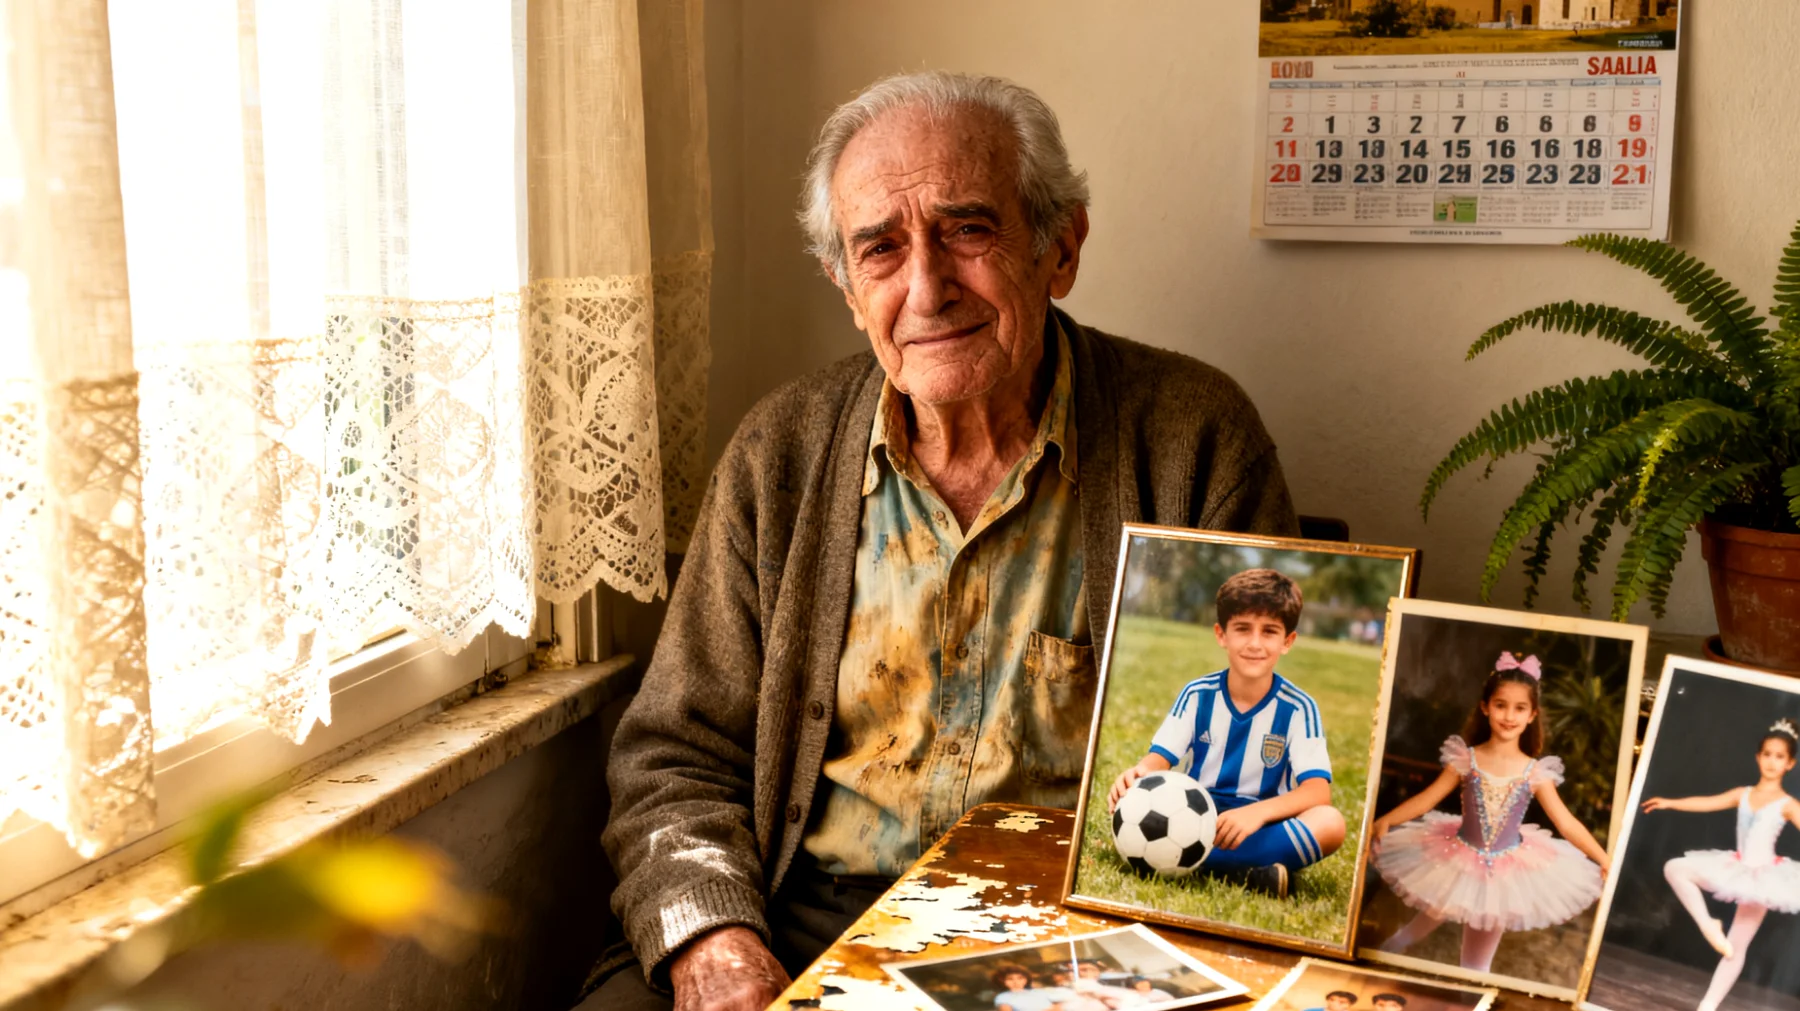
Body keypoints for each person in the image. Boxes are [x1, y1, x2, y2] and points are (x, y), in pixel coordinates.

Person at [587, 70, 1297, 1011]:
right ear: (846, 287)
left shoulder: (1195, 439)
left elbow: (1255, 742)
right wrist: (717, 941)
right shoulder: (780, 454)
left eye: (968, 229)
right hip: (808, 915)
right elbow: (676, 752)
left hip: (1076, 940)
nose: (926, 287)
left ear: (1061, 247)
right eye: (880, 249)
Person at [1105, 569, 1346, 898]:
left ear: (1287, 642)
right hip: (1194, 818)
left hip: (1260, 824)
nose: (1255, 643)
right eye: (1243, 629)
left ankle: (1186, 860)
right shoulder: (1197, 694)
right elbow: (1158, 759)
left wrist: (1256, 813)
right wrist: (1138, 774)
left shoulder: (1299, 708)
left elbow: (1317, 793)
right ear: (1222, 635)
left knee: (1331, 823)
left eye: (1270, 632)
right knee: (1136, 802)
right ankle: (1249, 872)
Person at [1368, 653, 1610, 973]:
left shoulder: (1535, 772)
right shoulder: (1466, 759)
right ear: (1485, 707)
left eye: (1519, 708)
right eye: (1500, 705)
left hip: (1504, 873)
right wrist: (1386, 819)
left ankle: (1469, 999)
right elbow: (1427, 800)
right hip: (1455, 855)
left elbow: (1565, 823)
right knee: (1420, 924)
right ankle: (1384, 956)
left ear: (1532, 715)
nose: (1509, 716)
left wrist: (1604, 859)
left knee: (1475, 964)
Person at [1641, 718, 1800, 1011]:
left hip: (1764, 878)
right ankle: (1708, 924)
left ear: (1790, 763)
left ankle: (1708, 1006)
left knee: (1735, 947)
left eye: (1779, 757)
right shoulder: (1743, 794)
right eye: (1767, 754)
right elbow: (1707, 802)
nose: (1771, 761)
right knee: (1675, 868)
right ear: (1758, 757)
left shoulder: (1789, 804)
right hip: (1734, 867)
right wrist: (1671, 803)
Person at [992, 964, 1063, 1011]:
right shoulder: (1003, 997)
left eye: (1020, 978)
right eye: (1010, 979)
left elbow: (1058, 1007)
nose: (1016, 982)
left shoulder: (1038, 992)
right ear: (1002, 981)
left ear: (1026, 979)